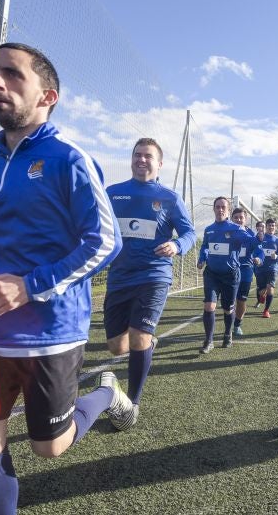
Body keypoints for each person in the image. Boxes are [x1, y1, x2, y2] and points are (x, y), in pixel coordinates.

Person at [0, 43, 126, 515]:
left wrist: (29, 285)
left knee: (50, 446)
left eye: (12, 75)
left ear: (48, 96)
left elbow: (104, 242)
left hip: (48, 332)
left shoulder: (69, 158)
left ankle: (105, 394)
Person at [103, 137, 196, 428]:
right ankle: (147, 345)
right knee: (117, 347)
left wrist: (177, 245)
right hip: (119, 277)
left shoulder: (169, 198)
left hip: (154, 275)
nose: (141, 160)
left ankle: (132, 404)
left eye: (148, 156)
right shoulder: (112, 193)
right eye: (137, 155)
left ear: (159, 164)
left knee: (139, 338)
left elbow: (190, 233)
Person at [197, 197, 256, 352]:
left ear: (228, 210)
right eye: (218, 207)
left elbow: (251, 243)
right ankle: (208, 341)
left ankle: (228, 334)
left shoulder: (236, 228)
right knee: (209, 306)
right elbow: (205, 246)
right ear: (214, 209)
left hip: (230, 275)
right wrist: (202, 258)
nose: (220, 209)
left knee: (228, 308)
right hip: (212, 274)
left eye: (223, 207)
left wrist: (258, 238)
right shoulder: (209, 229)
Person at [230, 207, 260, 337]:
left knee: (241, 300)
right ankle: (228, 323)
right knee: (230, 301)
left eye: (241, 217)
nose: (238, 220)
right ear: (232, 219)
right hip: (229, 270)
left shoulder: (251, 234)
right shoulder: (227, 232)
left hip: (246, 270)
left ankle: (237, 325)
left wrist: (259, 258)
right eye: (236, 217)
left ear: (245, 219)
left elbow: (259, 250)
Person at [254, 218, 278, 318]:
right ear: (265, 227)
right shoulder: (260, 238)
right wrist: (257, 258)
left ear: (275, 227)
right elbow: (253, 250)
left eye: (273, 226)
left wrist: (276, 257)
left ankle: (266, 311)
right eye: (269, 225)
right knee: (261, 291)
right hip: (260, 268)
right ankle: (261, 296)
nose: (271, 227)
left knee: (270, 289)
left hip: (272, 268)